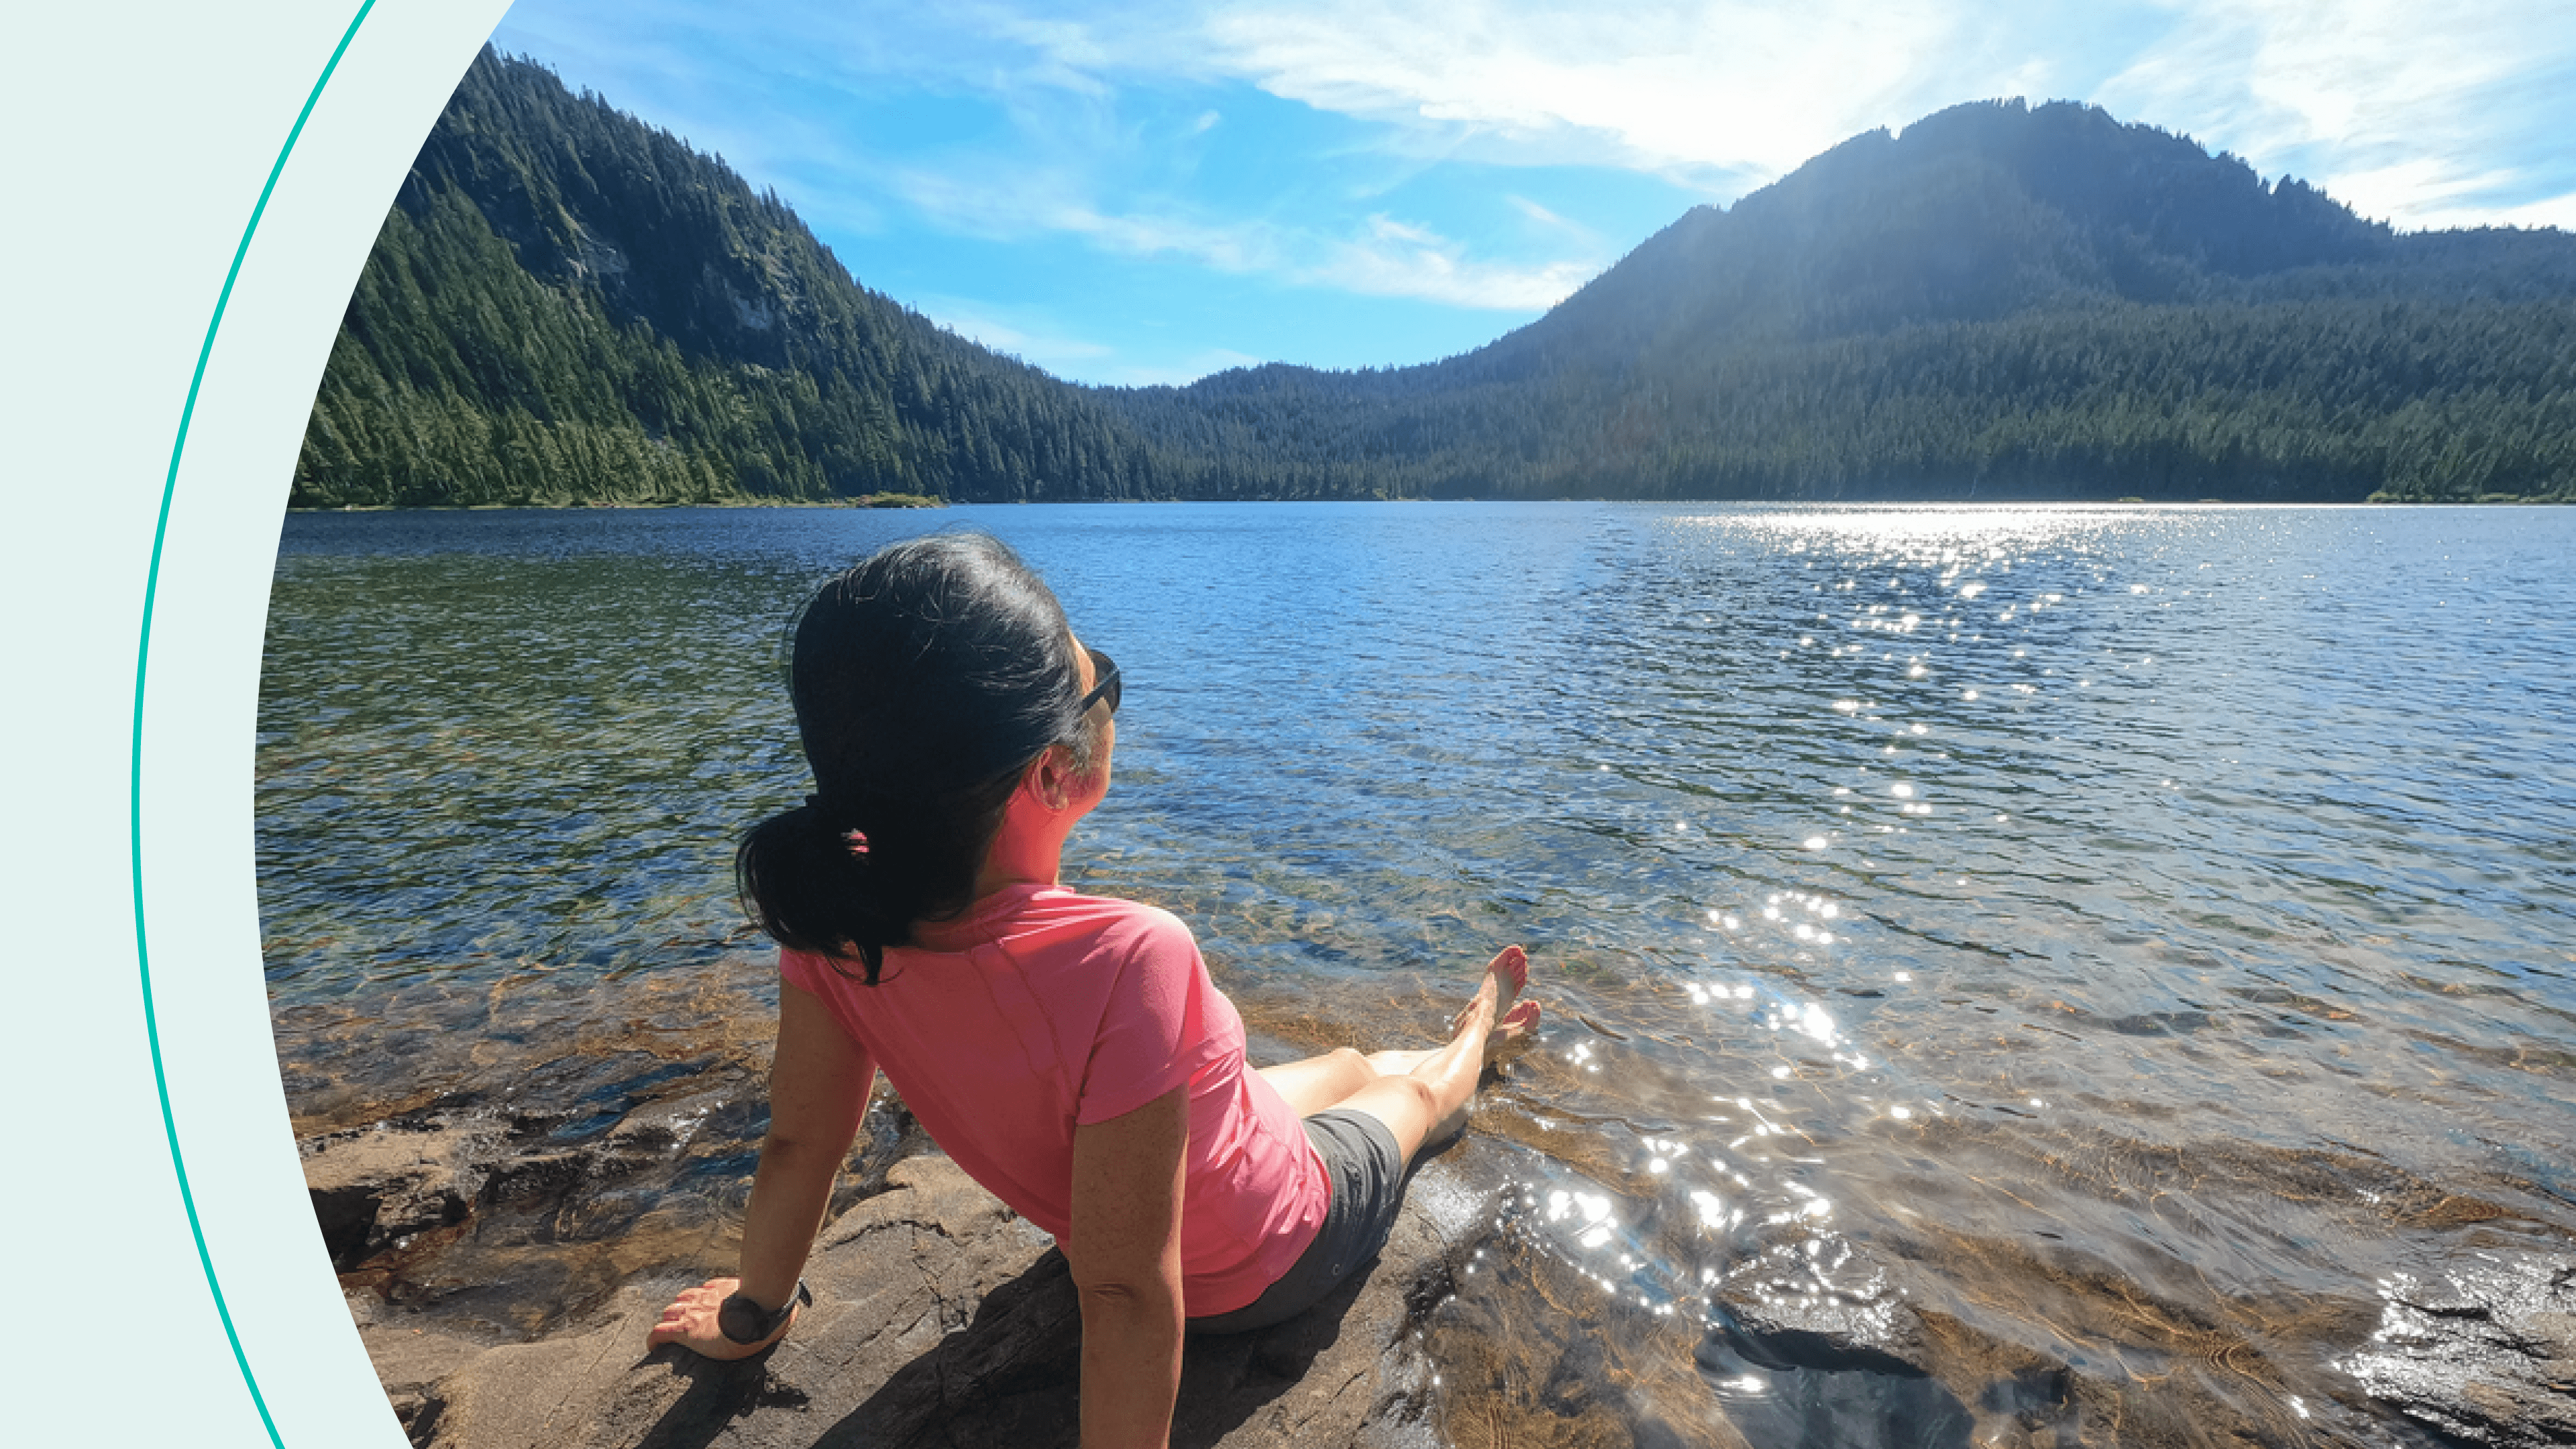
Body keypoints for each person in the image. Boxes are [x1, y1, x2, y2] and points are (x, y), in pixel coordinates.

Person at [645, 533, 1538, 1448]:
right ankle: (1476, 1039)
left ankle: (1437, 1055)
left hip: (1202, 1158)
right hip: (1263, 1258)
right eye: (1095, 686)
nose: (1106, 696)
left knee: (1349, 1060)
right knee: (1414, 1097)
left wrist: (754, 1313)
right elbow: (1123, 1294)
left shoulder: (839, 917)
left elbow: (800, 1142)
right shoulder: (1132, 955)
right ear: (1054, 771)